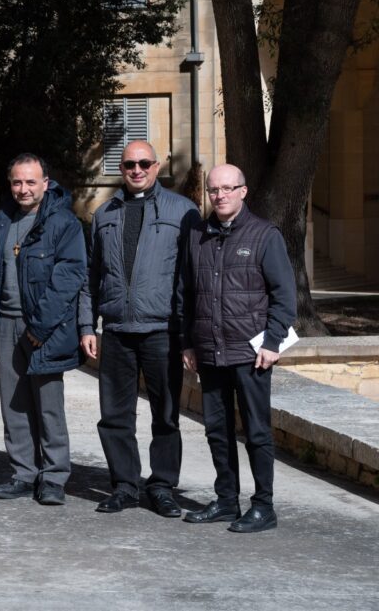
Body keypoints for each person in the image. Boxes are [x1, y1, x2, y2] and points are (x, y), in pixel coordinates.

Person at [78, 141, 200, 516]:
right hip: (117, 329)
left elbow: (191, 278)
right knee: (115, 416)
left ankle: (161, 486)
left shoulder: (183, 211)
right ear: (121, 168)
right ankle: (125, 486)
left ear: (156, 166)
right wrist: (87, 324)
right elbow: (91, 276)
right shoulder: (105, 214)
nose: (137, 170)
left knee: (166, 415)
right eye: (130, 164)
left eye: (144, 163)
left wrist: (188, 334)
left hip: (162, 329)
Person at [181, 164, 295, 534]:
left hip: (251, 355)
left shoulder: (265, 235)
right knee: (217, 430)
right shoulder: (196, 235)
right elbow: (186, 294)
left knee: (257, 432)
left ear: (243, 191)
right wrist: (187, 342)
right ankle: (226, 500)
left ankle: (263, 506)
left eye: (228, 188)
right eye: (214, 190)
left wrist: (273, 342)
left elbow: (284, 296)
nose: (220, 196)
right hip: (210, 351)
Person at [0, 154, 86, 504]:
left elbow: (68, 279)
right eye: (17, 182)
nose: (23, 189)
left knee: (48, 406)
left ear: (46, 183)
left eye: (30, 182)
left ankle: (54, 477)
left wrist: (39, 327)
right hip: (5, 322)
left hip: (44, 327)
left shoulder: (63, 224)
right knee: (14, 405)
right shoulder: (2, 220)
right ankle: (23, 473)